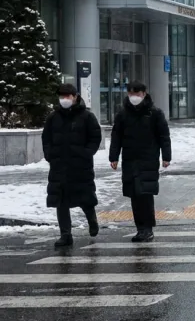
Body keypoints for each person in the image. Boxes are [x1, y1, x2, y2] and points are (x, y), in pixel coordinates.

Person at [109, 81, 172, 243]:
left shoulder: (154, 113)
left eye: (137, 94)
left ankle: (148, 228)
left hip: (148, 159)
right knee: (134, 195)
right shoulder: (123, 114)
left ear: (144, 94)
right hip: (130, 159)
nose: (134, 97)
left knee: (145, 194)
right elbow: (116, 137)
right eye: (131, 94)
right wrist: (113, 157)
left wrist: (166, 156)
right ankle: (140, 229)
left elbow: (164, 136)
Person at [42, 84, 102, 249]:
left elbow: (95, 137)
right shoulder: (53, 117)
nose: (65, 99)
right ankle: (65, 234)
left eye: (68, 96)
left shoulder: (87, 116)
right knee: (60, 200)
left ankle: (92, 221)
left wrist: (86, 152)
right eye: (62, 96)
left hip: (80, 165)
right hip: (59, 165)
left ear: (75, 96)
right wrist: (50, 155)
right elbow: (46, 138)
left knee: (85, 197)